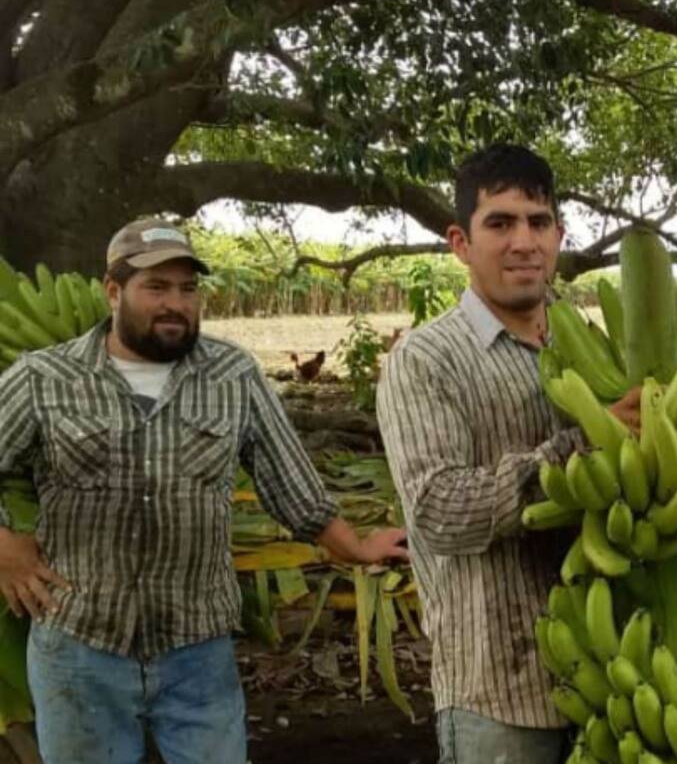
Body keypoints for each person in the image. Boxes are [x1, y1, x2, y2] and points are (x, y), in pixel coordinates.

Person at [0, 219, 409, 763]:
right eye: (157, 287)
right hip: (81, 647)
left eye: (187, 289)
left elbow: (291, 486)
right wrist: (5, 545)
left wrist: (356, 547)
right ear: (114, 292)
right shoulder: (44, 378)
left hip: (196, 652)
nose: (176, 303)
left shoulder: (232, 375)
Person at [377, 143, 639, 764]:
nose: (523, 241)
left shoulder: (594, 349)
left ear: (558, 236)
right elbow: (438, 512)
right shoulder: (425, 361)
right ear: (460, 243)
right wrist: (583, 449)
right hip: (500, 693)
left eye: (538, 222)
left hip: (618, 678)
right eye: (500, 223)